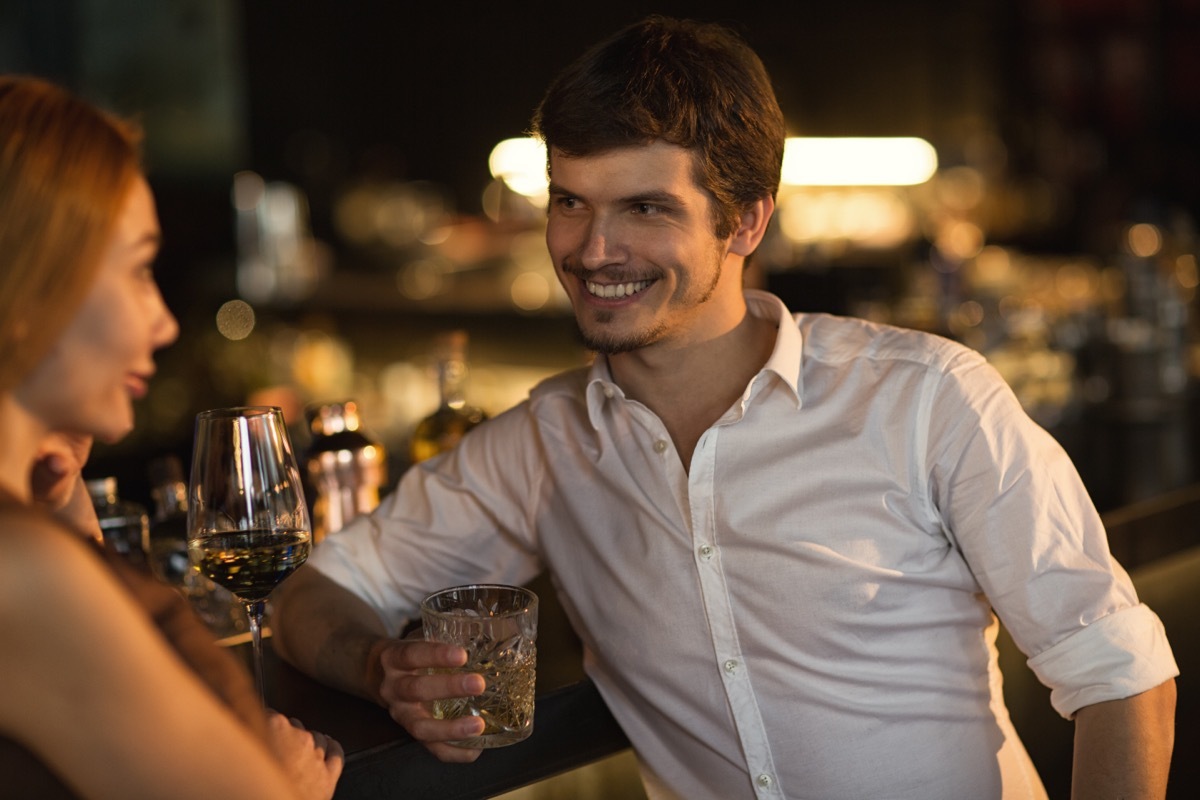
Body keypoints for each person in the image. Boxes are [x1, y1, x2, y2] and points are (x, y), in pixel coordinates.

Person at [271, 16, 1177, 799]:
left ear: (744, 222)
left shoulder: (926, 396)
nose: (593, 249)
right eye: (570, 203)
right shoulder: (541, 446)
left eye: (645, 208)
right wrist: (378, 667)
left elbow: (1116, 671)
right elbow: (315, 594)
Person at [0, 75, 343, 799]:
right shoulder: (18, 570)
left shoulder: (33, 529)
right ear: (29, 289)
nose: (162, 322)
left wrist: (60, 498)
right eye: (137, 271)